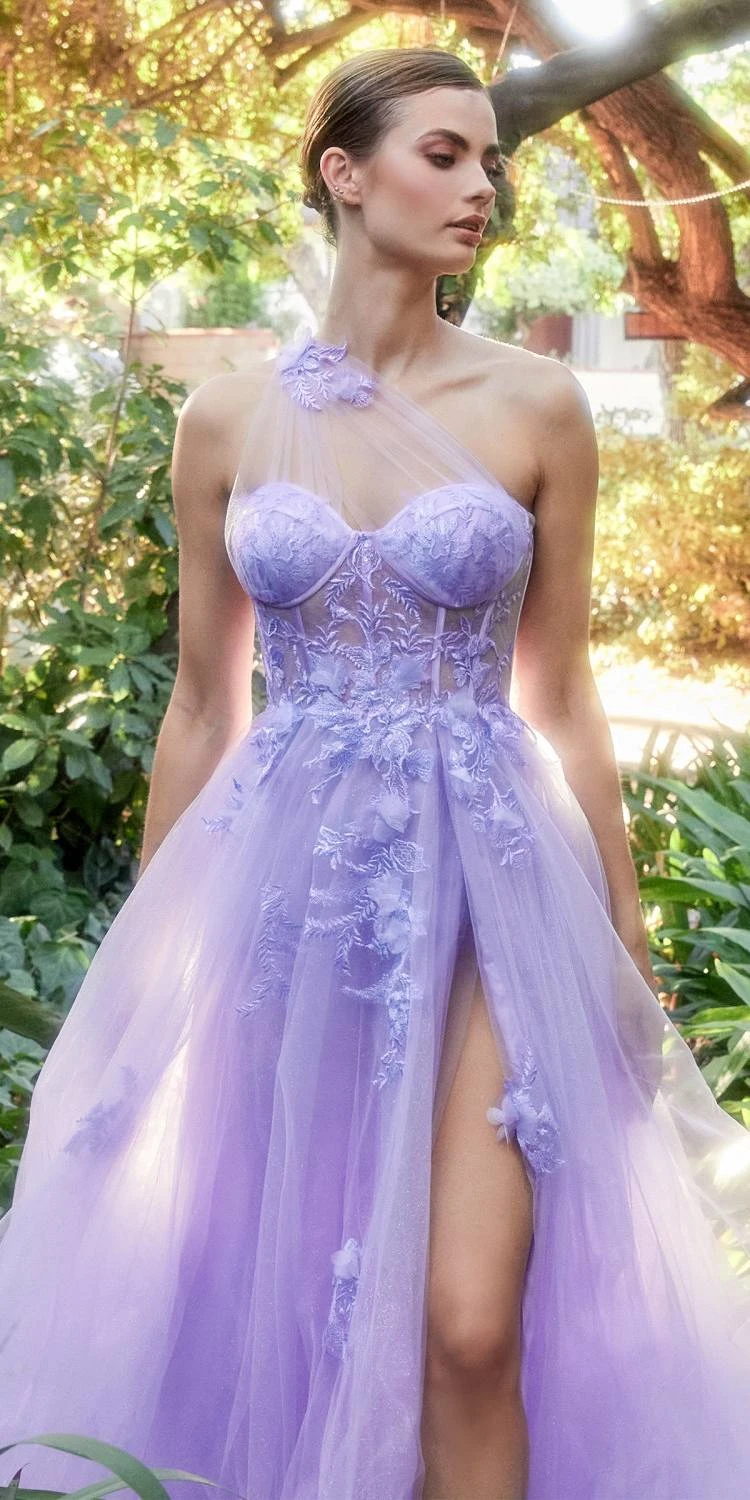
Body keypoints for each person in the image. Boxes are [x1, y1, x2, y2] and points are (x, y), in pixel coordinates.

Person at [1, 44, 750, 1500]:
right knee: (284, 1301)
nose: (482, 188)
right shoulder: (225, 418)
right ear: (343, 174)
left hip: (489, 883)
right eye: (443, 155)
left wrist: (620, 932)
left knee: (467, 1325)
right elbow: (203, 708)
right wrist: (154, 948)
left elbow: (561, 691)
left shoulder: (537, 404)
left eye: (491, 162)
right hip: (282, 890)